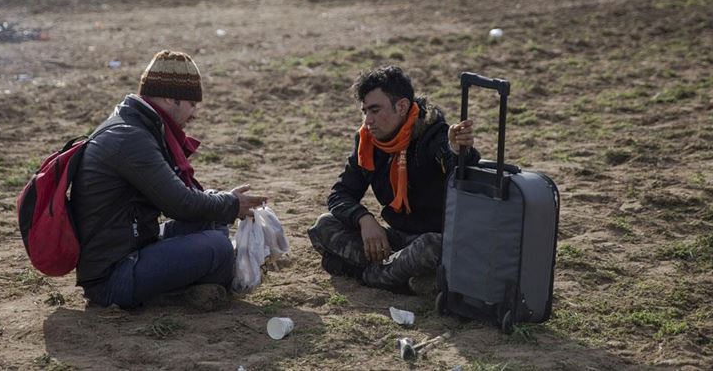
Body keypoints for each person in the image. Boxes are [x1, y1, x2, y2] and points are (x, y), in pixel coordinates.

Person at [72, 50, 267, 310]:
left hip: (134, 245)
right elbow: (180, 204)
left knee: (213, 218)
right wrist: (231, 204)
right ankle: (188, 289)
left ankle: (190, 285)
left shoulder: (136, 126)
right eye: (192, 103)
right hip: (113, 277)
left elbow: (182, 199)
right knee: (218, 247)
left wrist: (224, 203)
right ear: (168, 98)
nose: (195, 113)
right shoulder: (129, 138)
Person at [308, 66, 479, 294]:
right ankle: (401, 280)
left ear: (402, 106)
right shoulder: (367, 142)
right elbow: (340, 194)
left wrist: (458, 151)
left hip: (430, 240)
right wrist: (364, 219)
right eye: (365, 111)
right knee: (324, 225)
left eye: (375, 110)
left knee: (432, 247)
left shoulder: (434, 135)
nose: (368, 120)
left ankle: (363, 274)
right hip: (395, 240)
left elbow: (461, 173)